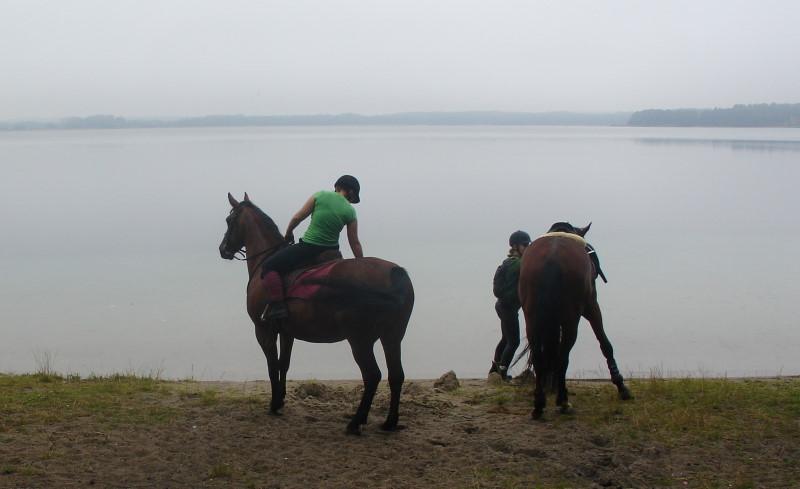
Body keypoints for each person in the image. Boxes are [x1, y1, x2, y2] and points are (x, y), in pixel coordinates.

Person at [260, 175, 363, 321]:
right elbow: (355, 242)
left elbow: (297, 218)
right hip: (331, 252)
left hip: (309, 247)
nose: (351, 201)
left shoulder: (320, 195)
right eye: (352, 199)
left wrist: (288, 233)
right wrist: (361, 262)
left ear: (337, 187)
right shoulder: (351, 211)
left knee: (269, 266)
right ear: (351, 192)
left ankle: (277, 306)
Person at [489, 230, 531, 380]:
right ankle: (502, 372)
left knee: (506, 339)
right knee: (513, 342)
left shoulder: (508, 262)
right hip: (508, 308)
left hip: (502, 306)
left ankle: (494, 370)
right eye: (525, 244)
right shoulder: (519, 264)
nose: (528, 247)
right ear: (516, 246)